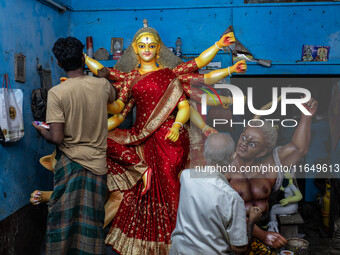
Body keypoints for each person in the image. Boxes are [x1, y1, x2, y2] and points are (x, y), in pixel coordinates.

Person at [85, 22, 246, 254]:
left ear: (159, 48)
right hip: (142, 138)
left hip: (171, 138)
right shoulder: (130, 78)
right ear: (135, 49)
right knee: (107, 142)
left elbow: (194, 78)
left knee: (171, 187)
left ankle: (175, 239)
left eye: (151, 45)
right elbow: (119, 108)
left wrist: (219, 46)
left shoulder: (171, 75)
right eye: (142, 45)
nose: (147, 49)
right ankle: (141, 170)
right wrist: (93, 97)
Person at [32, 37, 115, 255]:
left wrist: (41, 129)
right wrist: (103, 77)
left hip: (70, 165)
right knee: (92, 222)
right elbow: (112, 94)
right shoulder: (102, 85)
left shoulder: (57, 93)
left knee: (63, 220)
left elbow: (57, 137)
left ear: (59, 63)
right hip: (97, 166)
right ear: (83, 58)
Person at [228, 98, 318, 250]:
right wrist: (262, 235)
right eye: (243, 137)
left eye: (252, 143)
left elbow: (299, 148)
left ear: (262, 151)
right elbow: (224, 212)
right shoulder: (225, 165)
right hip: (234, 235)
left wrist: (306, 117)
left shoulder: (271, 164)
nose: (243, 143)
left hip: (263, 228)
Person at [170, 133, 262, 255]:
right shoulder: (233, 199)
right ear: (231, 157)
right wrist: (251, 220)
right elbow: (240, 249)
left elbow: (206, 203)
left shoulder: (186, 177)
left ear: (204, 153)